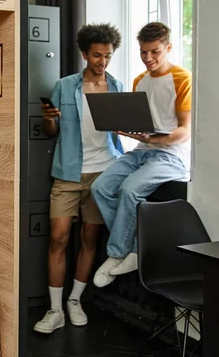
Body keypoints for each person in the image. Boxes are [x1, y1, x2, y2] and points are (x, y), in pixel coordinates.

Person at [33, 23, 124, 334]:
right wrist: (49, 121)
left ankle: (74, 301)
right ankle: (54, 309)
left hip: (104, 173)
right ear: (85, 54)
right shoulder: (65, 86)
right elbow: (52, 134)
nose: (102, 62)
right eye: (97, 55)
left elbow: (120, 133)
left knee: (89, 240)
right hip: (68, 174)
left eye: (108, 56)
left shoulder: (117, 86)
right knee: (58, 238)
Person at [91, 22, 192, 288]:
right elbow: (141, 120)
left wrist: (158, 138)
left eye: (155, 52)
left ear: (168, 47)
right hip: (142, 150)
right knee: (100, 187)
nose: (148, 58)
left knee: (129, 190)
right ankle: (134, 248)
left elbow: (184, 132)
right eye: (143, 52)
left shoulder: (182, 78)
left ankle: (117, 254)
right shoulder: (139, 80)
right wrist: (131, 130)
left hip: (171, 155)